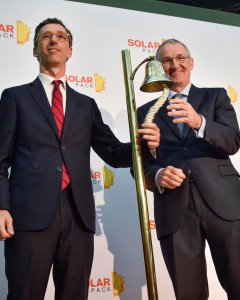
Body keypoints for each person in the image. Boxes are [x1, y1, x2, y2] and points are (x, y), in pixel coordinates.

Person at [0, 18, 160, 300]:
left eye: (61, 36)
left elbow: (113, 152)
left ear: (70, 50)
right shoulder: (14, 98)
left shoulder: (86, 105)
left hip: (78, 217)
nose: (54, 40)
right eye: (46, 36)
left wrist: (143, 144)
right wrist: (2, 207)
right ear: (35, 50)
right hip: (28, 218)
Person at [137, 39, 240, 300]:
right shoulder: (144, 112)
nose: (175, 64)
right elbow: (141, 166)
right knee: (188, 293)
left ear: (191, 62)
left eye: (181, 57)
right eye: (166, 61)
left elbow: (233, 141)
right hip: (175, 209)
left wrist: (200, 122)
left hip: (225, 205)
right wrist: (158, 175)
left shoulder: (215, 96)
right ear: (159, 68)